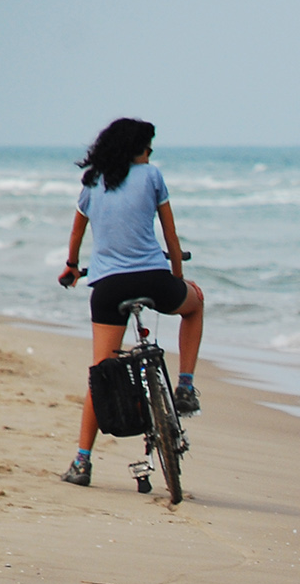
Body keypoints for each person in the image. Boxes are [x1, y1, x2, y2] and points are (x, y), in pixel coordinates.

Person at [55, 117, 204, 486]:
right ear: (139, 149)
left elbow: (77, 231)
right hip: (153, 279)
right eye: (148, 148)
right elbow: (169, 232)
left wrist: (72, 268)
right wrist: (177, 277)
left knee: (101, 373)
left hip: (107, 288)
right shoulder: (152, 176)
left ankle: (82, 463)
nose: (149, 154)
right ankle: (185, 385)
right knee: (196, 303)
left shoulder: (92, 181)